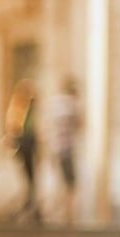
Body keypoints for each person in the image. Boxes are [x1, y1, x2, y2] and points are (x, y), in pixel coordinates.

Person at [46, 76, 83, 225]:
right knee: (70, 184)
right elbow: (79, 124)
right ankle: (68, 215)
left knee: (59, 181)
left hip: (54, 147)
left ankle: (58, 213)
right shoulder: (70, 105)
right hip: (66, 149)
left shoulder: (55, 103)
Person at [4, 78, 41, 223]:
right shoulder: (18, 107)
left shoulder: (28, 109)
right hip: (24, 143)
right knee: (28, 176)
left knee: (31, 177)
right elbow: (14, 127)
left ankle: (30, 203)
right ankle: (28, 203)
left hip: (29, 143)